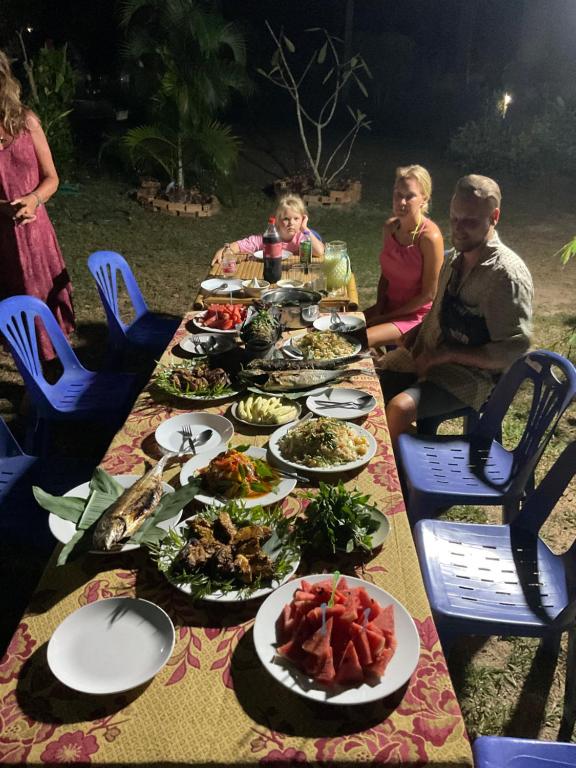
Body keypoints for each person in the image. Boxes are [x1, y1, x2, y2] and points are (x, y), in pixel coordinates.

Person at [379, 174, 533, 446]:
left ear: (494, 217)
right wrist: (417, 332)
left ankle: (399, 467)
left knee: (399, 409)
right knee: (369, 386)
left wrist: (446, 353)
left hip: (473, 377)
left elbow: (513, 350)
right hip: (433, 357)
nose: (459, 229)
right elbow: (439, 311)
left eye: (470, 221)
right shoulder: (452, 259)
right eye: (454, 219)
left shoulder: (504, 276)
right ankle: (400, 447)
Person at [0, 49, 75, 362]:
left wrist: (33, 199)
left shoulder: (26, 122)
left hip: (34, 233)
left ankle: (49, 362)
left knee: (42, 300)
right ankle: (23, 358)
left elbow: (52, 178)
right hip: (2, 236)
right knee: (10, 305)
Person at [364, 165, 444, 348]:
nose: (401, 202)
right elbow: (385, 276)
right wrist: (379, 307)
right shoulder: (390, 228)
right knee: (341, 327)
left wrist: (385, 317)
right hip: (389, 308)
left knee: (361, 339)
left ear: (424, 198)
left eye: (409, 196)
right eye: (398, 194)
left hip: (416, 316)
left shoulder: (429, 238)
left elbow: (429, 295)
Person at [211, 193, 324, 264]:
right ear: (277, 220)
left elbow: (319, 252)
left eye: (296, 218)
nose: (291, 223)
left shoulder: (302, 237)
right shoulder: (269, 238)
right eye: (286, 219)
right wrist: (225, 250)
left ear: (302, 219)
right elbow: (241, 245)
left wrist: (304, 228)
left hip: (294, 275)